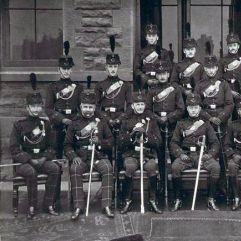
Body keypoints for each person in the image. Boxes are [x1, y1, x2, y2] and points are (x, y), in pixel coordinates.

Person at [10, 75, 61, 219]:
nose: (36, 109)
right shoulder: (19, 125)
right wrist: (30, 160)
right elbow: (14, 148)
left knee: (55, 168)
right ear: (27, 107)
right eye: (33, 106)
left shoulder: (46, 124)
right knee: (31, 172)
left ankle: (49, 204)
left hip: (42, 160)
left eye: (38, 106)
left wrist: (44, 158)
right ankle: (32, 206)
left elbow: (52, 146)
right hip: (25, 162)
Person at [65, 91, 115, 220]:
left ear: (95, 108)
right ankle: (78, 206)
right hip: (80, 157)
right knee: (74, 168)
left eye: (91, 107)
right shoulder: (74, 123)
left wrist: (100, 142)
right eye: (85, 107)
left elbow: (110, 141)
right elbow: (67, 145)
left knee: (108, 168)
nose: (88, 110)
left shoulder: (101, 122)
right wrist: (73, 156)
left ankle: (107, 205)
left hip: (98, 155)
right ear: (81, 106)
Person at [170, 94, 221, 211]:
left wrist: (210, 154)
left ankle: (211, 199)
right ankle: (178, 199)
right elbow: (173, 143)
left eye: (196, 107)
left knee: (215, 167)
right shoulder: (180, 124)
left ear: (199, 109)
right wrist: (180, 154)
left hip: (201, 155)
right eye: (191, 107)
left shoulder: (206, 124)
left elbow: (215, 143)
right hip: (186, 155)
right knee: (175, 167)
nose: (193, 110)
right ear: (187, 109)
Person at [118, 92, 163, 214]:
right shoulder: (126, 120)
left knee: (152, 167)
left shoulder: (151, 121)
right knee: (130, 167)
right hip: (131, 154)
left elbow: (159, 141)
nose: (140, 107)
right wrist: (131, 136)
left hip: (147, 154)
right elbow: (120, 142)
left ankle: (153, 200)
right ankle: (128, 200)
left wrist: (147, 136)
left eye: (142, 104)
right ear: (132, 106)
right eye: (137, 104)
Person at [149, 60, 185, 194]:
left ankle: (177, 189)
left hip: (173, 127)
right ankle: (163, 186)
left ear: (168, 74)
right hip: (157, 127)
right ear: (156, 76)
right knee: (161, 158)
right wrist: (158, 119)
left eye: (164, 73)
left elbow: (181, 109)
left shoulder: (175, 90)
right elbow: (147, 110)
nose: (162, 76)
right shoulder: (152, 91)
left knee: (175, 157)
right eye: (159, 74)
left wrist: (168, 118)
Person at [45, 41, 83, 158]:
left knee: (75, 153)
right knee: (57, 154)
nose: (66, 71)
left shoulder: (78, 87)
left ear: (71, 70)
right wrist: (62, 120)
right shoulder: (52, 87)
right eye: (63, 68)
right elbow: (48, 109)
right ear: (59, 69)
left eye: (68, 68)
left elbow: (81, 108)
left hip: (74, 122)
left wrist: (74, 120)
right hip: (58, 124)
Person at [95, 36, 132, 130]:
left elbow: (130, 106)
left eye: (115, 66)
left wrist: (121, 118)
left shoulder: (125, 85)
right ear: (106, 67)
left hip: (121, 118)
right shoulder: (100, 85)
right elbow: (96, 106)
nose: (113, 69)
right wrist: (106, 119)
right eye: (110, 67)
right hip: (104, 118)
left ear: (118, 67)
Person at [134, 23, 171, 91]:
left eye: (153, 35)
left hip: (161, 83)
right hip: (145, 85)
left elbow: (169, 69)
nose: (151, 38)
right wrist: (146, 80)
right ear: (146, 37)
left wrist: (160, 79)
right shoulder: (140, 52)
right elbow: (136, 69)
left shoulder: (163, 52)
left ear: (157, 37)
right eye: (149, 36)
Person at [170, 23, 204, 97]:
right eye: (188, 50)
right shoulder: (178, 66)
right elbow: (173, 83)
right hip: (181, 97)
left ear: (195, 50)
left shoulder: (200, 66)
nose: (190, 52)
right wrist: (183, 91)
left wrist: (195, 93)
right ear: (184, 51)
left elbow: (203, 82)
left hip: (196, 96)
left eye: (192, 49)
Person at [220, 29, 241, 98]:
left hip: (239, 90)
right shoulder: (222, 61)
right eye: (230, 46)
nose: (232, 48)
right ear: (228, 47)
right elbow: (219, 79)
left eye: (234, 45)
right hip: (226, 92)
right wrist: (228, 91)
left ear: (238, 46)